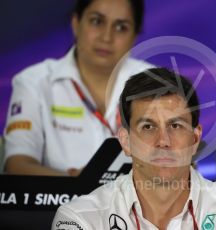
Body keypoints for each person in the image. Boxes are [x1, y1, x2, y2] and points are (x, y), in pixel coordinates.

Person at [52, 68, 216, 230]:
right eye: (148, 126)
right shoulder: (80, 220)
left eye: (175, 125)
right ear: (125, 141)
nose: (164, 141)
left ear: (195, 138)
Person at [3, 0, 153, 176]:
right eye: (97, 21)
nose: (106, 37)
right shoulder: (34, 82)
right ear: (76, 23)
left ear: (135, 35)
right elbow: (17, 165)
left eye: (121, 27)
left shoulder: (156, 84)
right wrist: (79, 185)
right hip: (58, 202)